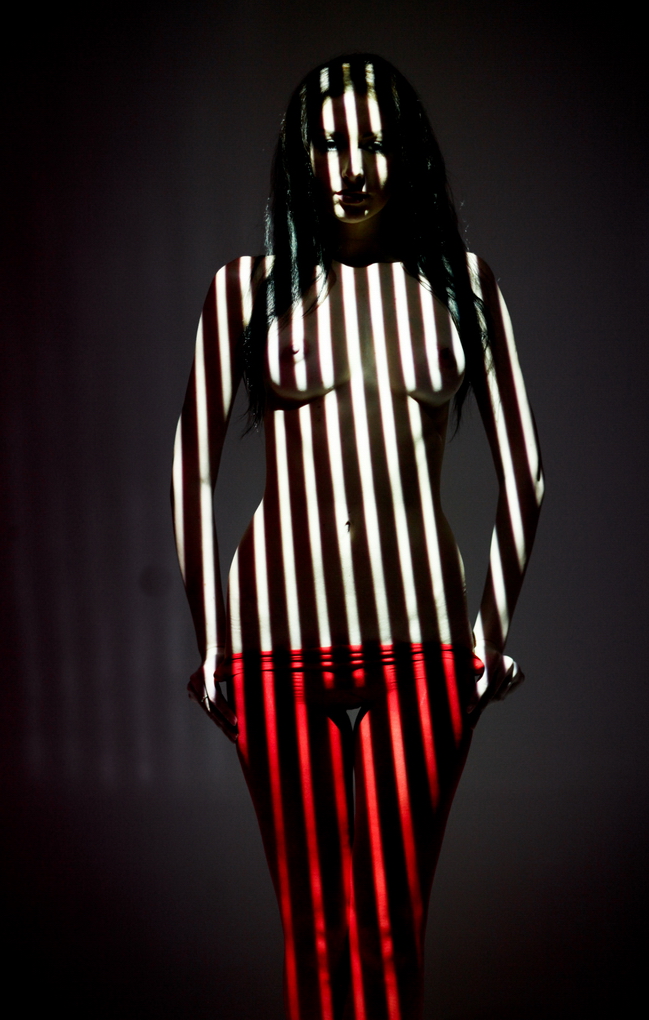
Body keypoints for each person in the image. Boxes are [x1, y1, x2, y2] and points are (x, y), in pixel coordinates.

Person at [172, 54, 544, 1020]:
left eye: (374, 144)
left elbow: (527, 470)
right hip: (273, 647)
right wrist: (212, 639)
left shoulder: (463, 289)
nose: (351, 166)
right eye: (329, 143)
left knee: (386, 923)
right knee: (312, 927)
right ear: (300, 156)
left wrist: (488, 631)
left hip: (421, 647)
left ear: (405, 154)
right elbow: (191, 469)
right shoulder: (247, 290)